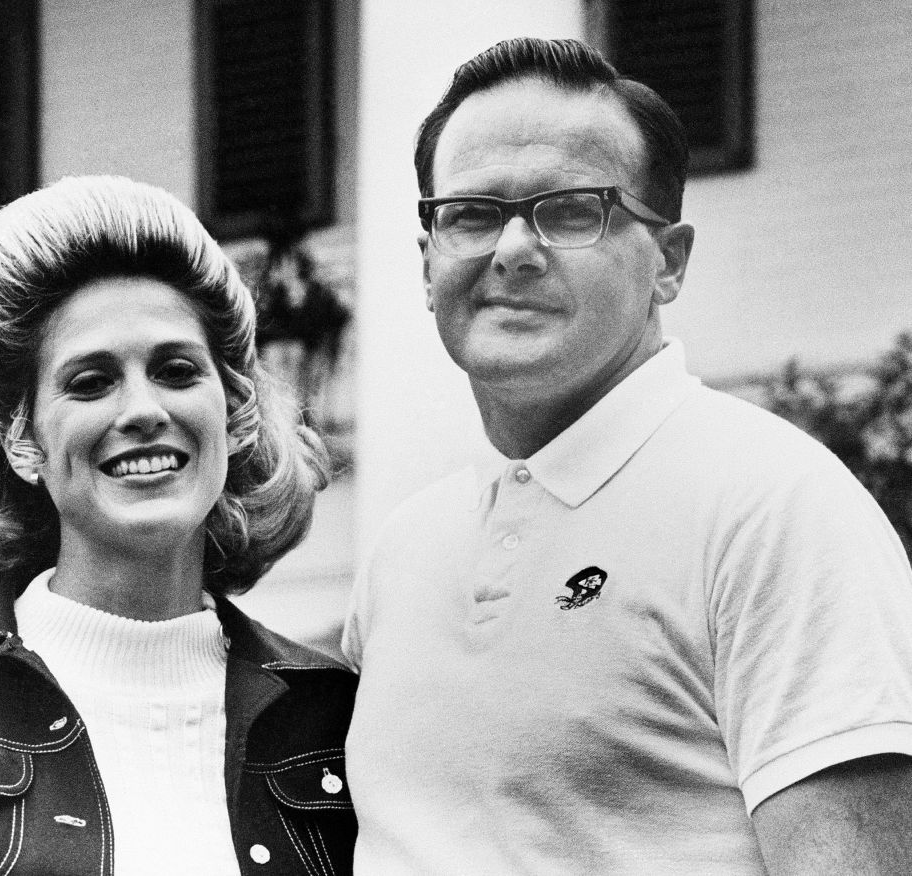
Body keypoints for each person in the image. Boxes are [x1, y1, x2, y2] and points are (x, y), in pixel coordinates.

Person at [342, 37, 912, 874]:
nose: (512, 249)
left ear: (668, 261)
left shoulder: (773, 507)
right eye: (470, 214)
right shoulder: (402, 551)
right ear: (427, 264)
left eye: (571, 209)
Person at [0, 176, 357, 875]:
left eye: (177, 370)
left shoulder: (332, 716)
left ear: (236, 411)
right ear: (21, 441)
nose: (144, 409)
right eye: (91, 382)